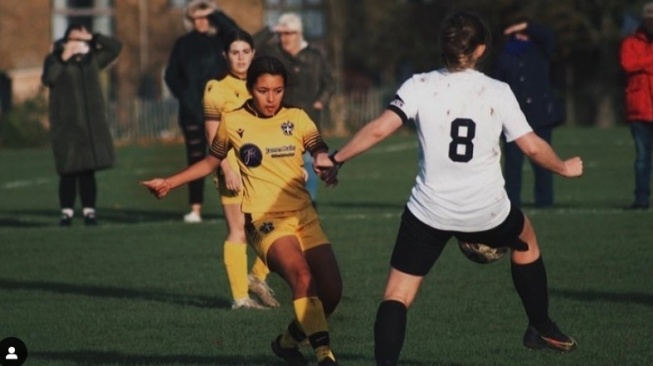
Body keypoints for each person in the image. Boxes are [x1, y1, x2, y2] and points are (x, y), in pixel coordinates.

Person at [317, 11, 581, 365]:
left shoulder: (419, 85)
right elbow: (532, 146)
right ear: (481, 49)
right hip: (486, 209)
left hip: (430, 210)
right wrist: (564, 167)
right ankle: (540, 325)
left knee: (398, 293)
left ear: (443, 47)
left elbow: (380, 129)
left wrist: (337, 159)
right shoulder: (497, 91)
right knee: (525, 239)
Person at [143, 56, 342, 366]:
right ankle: (324, 355)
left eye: (277, 90)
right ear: (250, 88)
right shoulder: (234, 121)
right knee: (302, 279)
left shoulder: (298, 117)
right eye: (263, 90)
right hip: (264, 220)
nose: (271, 98)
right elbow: (211, 162)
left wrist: (325, 164)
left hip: (304, 216)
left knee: (331, 292)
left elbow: (318, 149)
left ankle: (287, 343)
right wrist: (170, 182)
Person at [203, 29, 278, 309]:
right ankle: (240, 298)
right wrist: (226, 168)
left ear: (254, 54)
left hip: (265, 171)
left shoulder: (263, 85)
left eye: (246, 52)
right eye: (235, 52)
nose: (241, 57)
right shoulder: (216, 89)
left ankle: (256, 276)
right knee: (238, 231)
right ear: (226, 56)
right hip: (233, 169)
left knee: (281, 224)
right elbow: (212, 136)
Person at [164, 0, 239, 223]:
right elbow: (171, 75)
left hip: (223, 110)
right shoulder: (182, 44)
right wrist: (185, 96)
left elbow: (235, 31)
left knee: (231, 157)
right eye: (197, 18)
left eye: (205, 17)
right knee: (196, 158)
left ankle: (238, 204)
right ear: (190, 20)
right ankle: (195, 209)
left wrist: (215, 12)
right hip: (192, 111)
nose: (202, 22)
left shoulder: (220, 41)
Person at [41, 23, 122, 227]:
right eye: (74, 39)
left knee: (87, 170)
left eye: (81, 40)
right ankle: (66, 213)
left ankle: (89, 212)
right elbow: (49, 78)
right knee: (68, 170)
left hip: (90, 124)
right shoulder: (54, 59)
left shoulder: (92, 60)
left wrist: (94, 37)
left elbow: (115, 47)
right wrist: (63, 57)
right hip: (66, 124)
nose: (78, 43)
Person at [255, 12, 335, 207]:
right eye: (281, 33)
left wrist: (320, 101)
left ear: (298, 33)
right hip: (278, 118)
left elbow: (330, 83)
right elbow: (253, 46)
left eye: (289, 33)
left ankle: (310, 201)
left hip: (308, 118)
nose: (285, 38)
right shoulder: (273, 53)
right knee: (278, 160)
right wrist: (271, 28)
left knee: (307, 161)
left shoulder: (314, 56)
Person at [493, 15, 563, 208]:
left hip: (540, 116)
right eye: (518, 33)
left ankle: (545, 201)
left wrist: (527, 25)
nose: (521, 37)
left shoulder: (540, 51)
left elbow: (548, 36)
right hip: (514, 119)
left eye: (524, 33)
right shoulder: (504, 57)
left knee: (543, 162)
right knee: (513, 165)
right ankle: (512, 203)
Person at [620, 2, 653, 210]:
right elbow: (628, 64)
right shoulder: (631, 41)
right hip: (639, 109)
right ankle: (641, 199)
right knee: (642, 158)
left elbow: (636, 64)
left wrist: (644, 63)